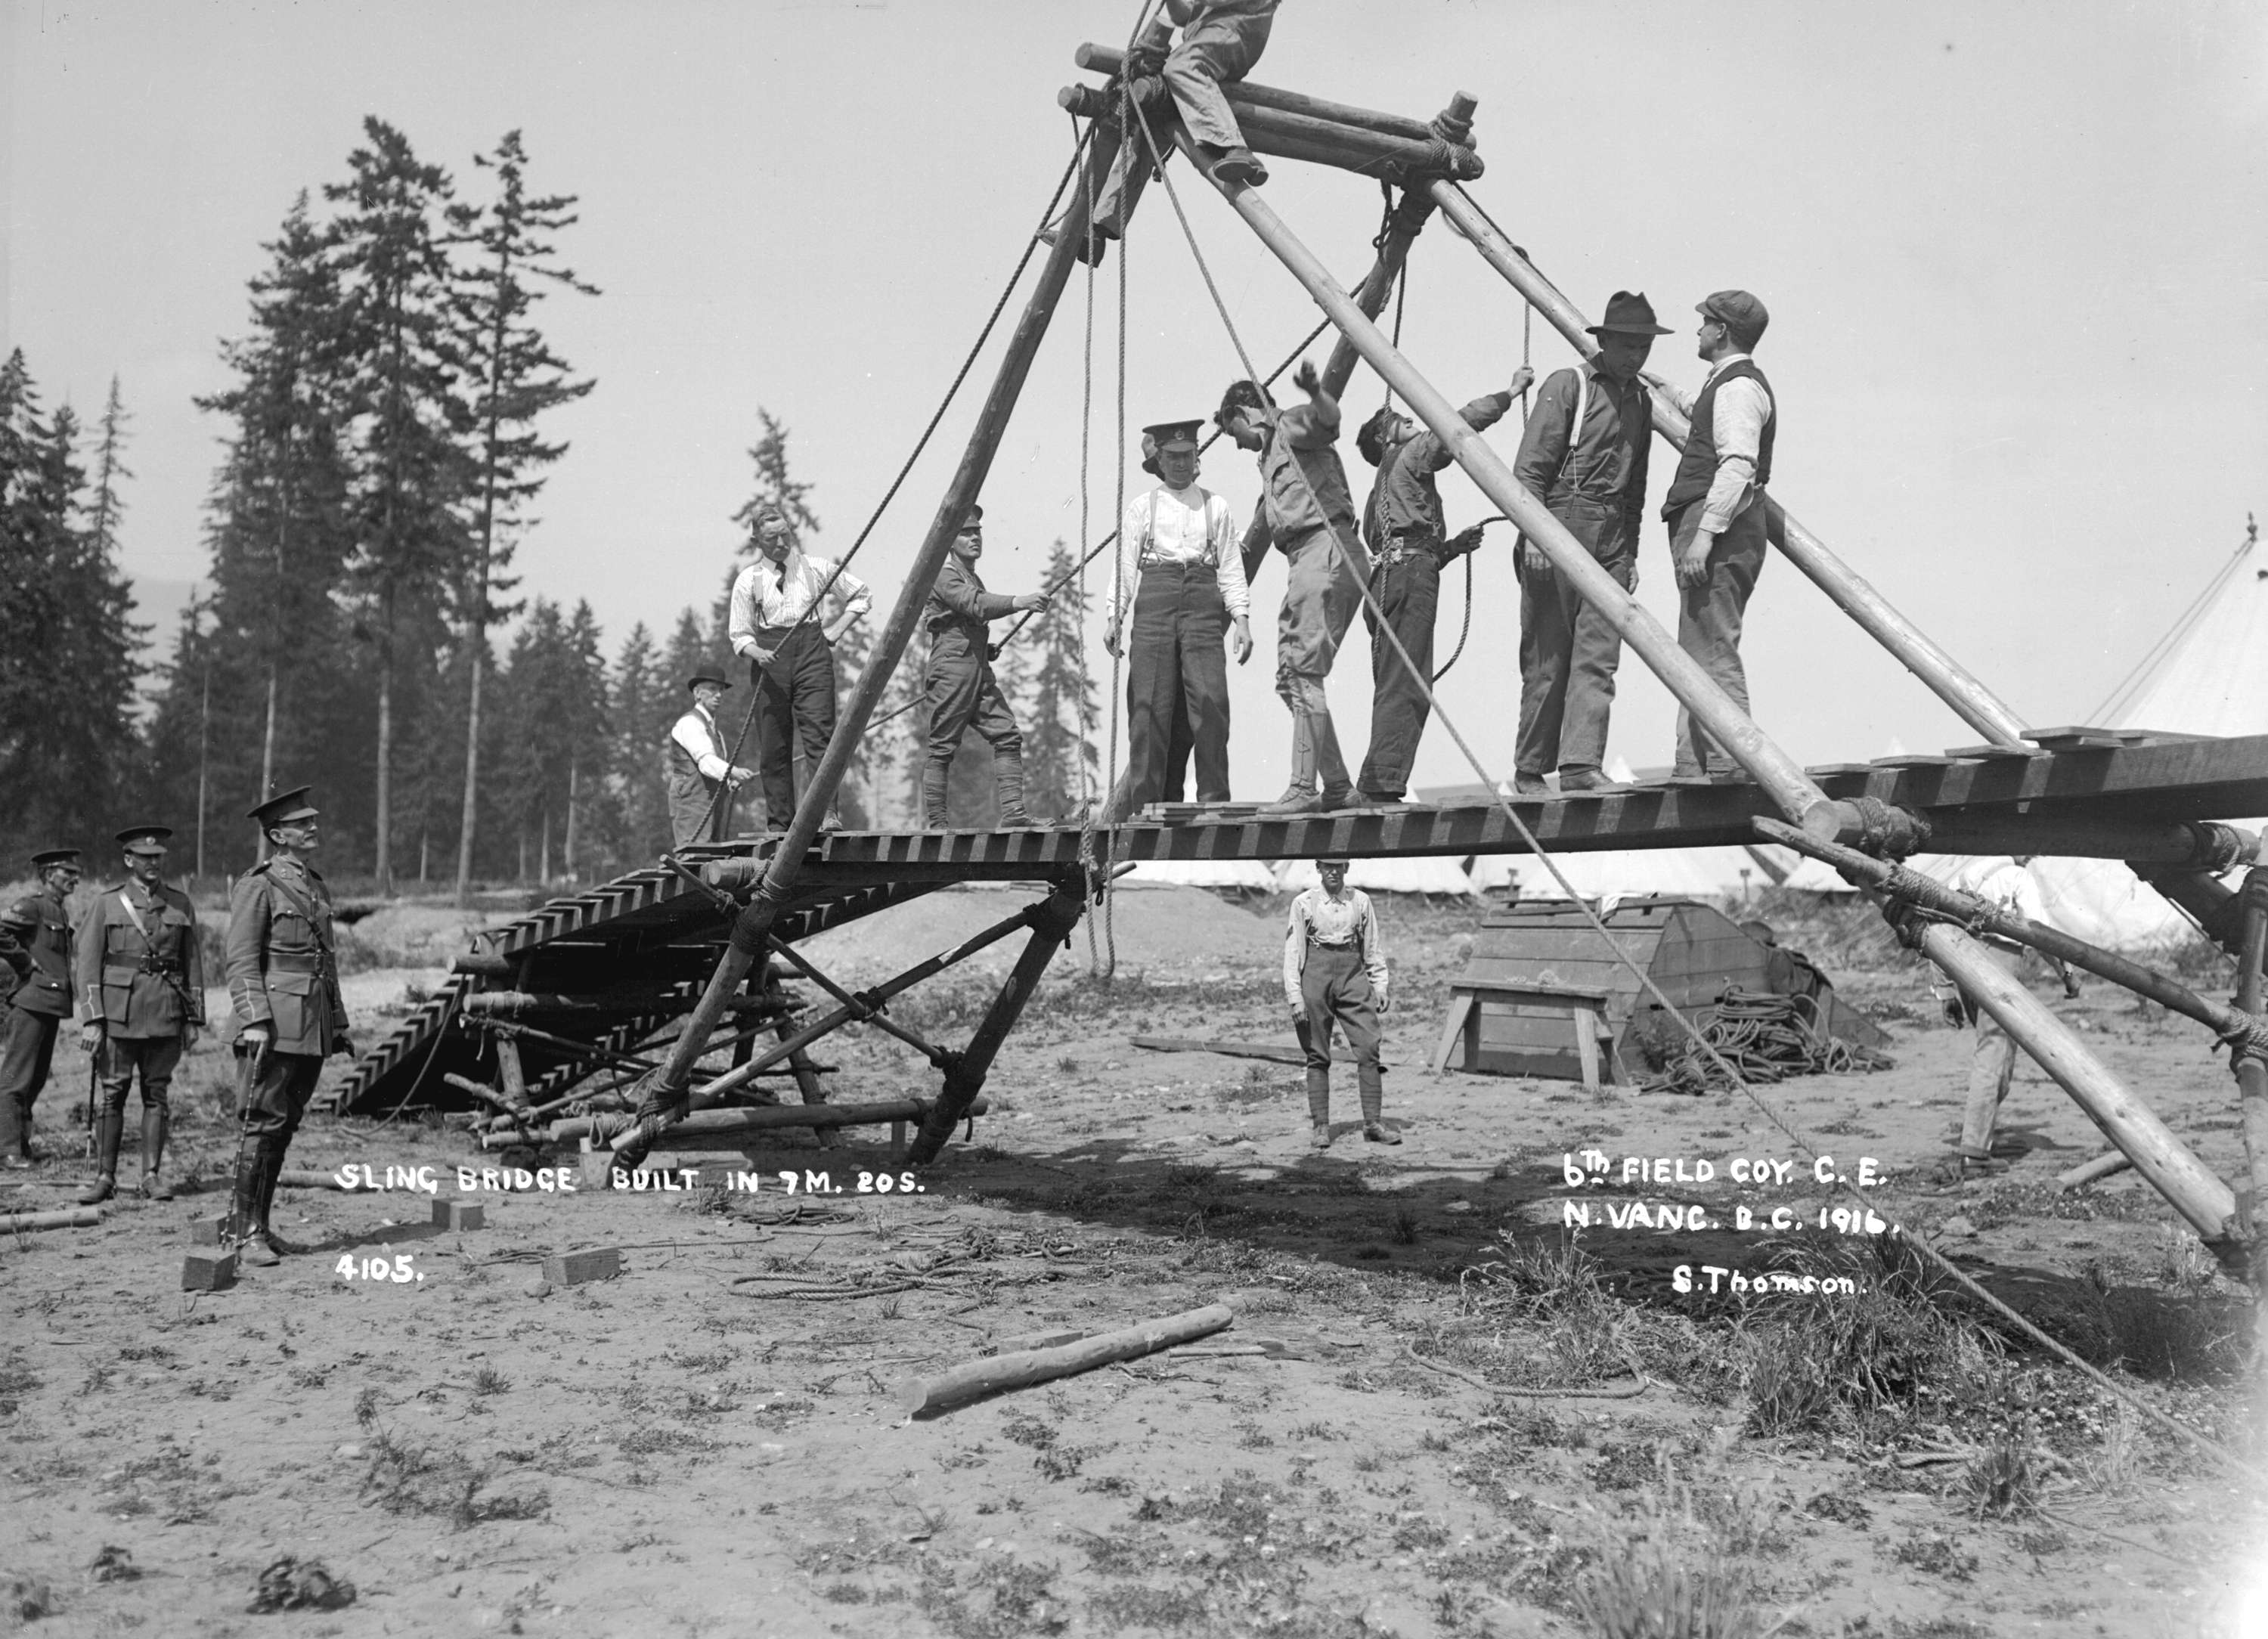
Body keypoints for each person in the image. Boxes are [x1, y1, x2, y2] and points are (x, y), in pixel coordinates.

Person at [1508, 291, 1670, 798]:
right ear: (1605, 342)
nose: (1635, 357)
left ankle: (1580, 766)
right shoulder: (1569, 384)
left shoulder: (1641, 401)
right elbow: (1529, 470)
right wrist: (1535, 534)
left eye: (1643, 348)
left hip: (1612, 537)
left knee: (1599, 657)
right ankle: (1531, 771)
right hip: (1558, 520)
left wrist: (1631, 554)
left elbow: (1636, 488)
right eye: (1627, 346)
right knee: (1548, 656)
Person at [1352, 364, 1535, 804]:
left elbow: (1403, 545)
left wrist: (1451, 548)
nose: (1409, 418)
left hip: (1390, 580)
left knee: (1397, 679)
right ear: (1385, 437)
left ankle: (1382, 778)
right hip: (1410, 578)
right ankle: (1380, 784)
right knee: (1409, 683)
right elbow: (1457, 425)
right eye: (1395, 419)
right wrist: (1510, 393)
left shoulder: (1380, 490)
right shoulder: (1413, 454)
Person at [1219, 361, 1368, 816]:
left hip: (1323, 549)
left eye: (1234, 434)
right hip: (1308, 557)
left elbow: (1327, 421)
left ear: (1247, 413)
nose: (1240, 446)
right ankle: (1337, 786)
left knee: (1302, 672)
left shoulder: (1286, 426)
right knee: (1292, 679)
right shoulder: (1269, 459)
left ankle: (1304, 787)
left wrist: (1317, 390)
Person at [225, 787, 353, 1266]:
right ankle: (245, 1231)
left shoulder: (316, 885)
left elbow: (327, 962)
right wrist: (254, 1018)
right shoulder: (258, 884)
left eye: (313, 821)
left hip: (310, 1024)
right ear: (278, 836)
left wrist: (337, 1023)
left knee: (283, 1126)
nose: (313, 827)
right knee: (262, 1123)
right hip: (273, 1024)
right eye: (302, 824)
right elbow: (240, 959)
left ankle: (261, 1225)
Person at [1103, 419, 1253, 818]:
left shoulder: (1216, 506)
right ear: (1160, 460)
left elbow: (1232, 568)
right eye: (1173, 457)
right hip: (1155, 597)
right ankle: (1145, 805)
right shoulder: (1142, 507)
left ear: (1196, 457)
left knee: (1210, 700)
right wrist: (1115, 615)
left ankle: (1213, 800)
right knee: (1149, 704)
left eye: (1187, 456)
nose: (1181, 464)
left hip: (1204, 602)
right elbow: (1124, 566)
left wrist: (1240, 619)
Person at [1061, 0, 1277, 263]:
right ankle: (1100, 227)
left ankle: (1235, 147)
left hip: (1232, 35)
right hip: (1208, 39)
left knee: (1181, 68)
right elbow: (1186, 12)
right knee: (1149, 122)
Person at [1662, 290, 1776, 782]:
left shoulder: (1737, 388)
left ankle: (1733, 766)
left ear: (1722, 331)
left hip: (1719, 526)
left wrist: (1705, 536)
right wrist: (1666, 391)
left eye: (1704, 323)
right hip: (1716, 522)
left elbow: (1737, 463)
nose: (1698, 330)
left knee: (1713, 645)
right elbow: (1711, 422)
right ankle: (1694, 764)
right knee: (1699, 647)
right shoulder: (1728, 386)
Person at [73, 826, 204, 1204]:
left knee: (157, 1094)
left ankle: (151, 1176)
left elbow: (192, 963)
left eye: (158, 857)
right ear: (129, 860)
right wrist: (93, 1019)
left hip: (165, 1012)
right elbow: (88, 965)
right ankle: (105, 1177)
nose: (153, 863)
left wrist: (193, 1018)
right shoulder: (107, 903)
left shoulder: (180, 904)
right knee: (112, 1095)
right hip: (118, 1016)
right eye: (145, 858)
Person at [727, 505, 873, 832]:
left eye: (785, 535)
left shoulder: (815, 568)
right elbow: (738, 635)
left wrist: (835, 630)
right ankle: (781, 824)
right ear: (757, 541)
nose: (780, 543)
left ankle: (827, 815)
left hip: (813, 654)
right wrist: (757, 652)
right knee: (774, 745)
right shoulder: (748, 581)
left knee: (820, 737)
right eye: (771, 538)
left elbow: (861, 595)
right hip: (770, 658)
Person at [922, 503, 1052, 828]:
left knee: (1007, 734)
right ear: (950, 541)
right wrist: (1018, 602)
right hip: (952, 670)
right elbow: (974, 604)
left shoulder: (969, 575)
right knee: (942, 746)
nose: (974, 538)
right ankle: (938, 826)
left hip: (974, 666)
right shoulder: (944, 572)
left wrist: (983, 646)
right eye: (965, 533)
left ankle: (1014, 815)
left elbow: (965, 616)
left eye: (977, 532)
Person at [1941, 855, 2047, 1176]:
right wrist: (2067, 971)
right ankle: (1973, 1153)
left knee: (1996, 1058)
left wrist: (1945, 988)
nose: (2034, 856)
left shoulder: (1967, 875)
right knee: (1994, 1058)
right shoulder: (2017, 877)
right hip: (2000, 964)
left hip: (1963, 960)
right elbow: (2040, 931)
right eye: (2032, 849)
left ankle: (1981, 1142)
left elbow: (1937, 923)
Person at [1285, 857, 1393, 1147]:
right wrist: (1296, 998)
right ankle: (1321, 1127)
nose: (1333, 871)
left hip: (1352, 973)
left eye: (1339, 865)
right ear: (1318, 868)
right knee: (1317, 1053)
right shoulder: (1304, 903)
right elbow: (1293, 951)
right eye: (1327, 866)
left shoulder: (1360, 901)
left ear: (1347, 868)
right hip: (1316, 974)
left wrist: (1379, 985)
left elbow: (1372, 946)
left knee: (1369, 1047)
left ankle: (1373, 1124)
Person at [0, 847, 81, 1167]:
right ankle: (7, 1151)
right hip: (31, 1003)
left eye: (77, 873)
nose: (75, 878)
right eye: (68, 873)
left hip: (49, 1004)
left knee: (34, 1080)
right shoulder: (32, 906)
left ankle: (21, 1146)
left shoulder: (57, 910)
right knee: (15, 1079)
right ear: (48, 875)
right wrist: (26, 963)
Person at [666, 674, 756, 848]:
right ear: (697, 693)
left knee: (708, 855)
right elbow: (705, 761)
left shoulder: (716, 733)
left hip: (711, 803)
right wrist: (734, 772)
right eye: (713, 689)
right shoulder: (690, 723)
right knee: (695, 856)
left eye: (721, 690)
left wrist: (730, 782)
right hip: (691, 802)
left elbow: (715, 765)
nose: (719, 695)